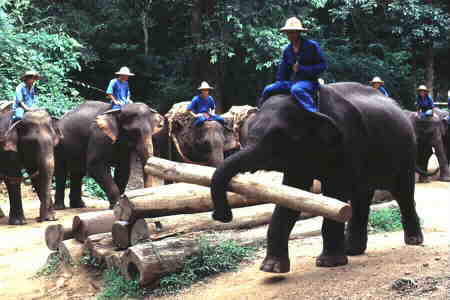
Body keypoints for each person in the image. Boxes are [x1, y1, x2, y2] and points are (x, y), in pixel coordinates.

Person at [259, 17, 327, 112]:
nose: (289, 35)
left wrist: (302, 69)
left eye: (292, 32)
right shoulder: (287, 50)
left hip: (309, 82)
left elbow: (322, 66)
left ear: (298, 32)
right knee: (268, 89)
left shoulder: (312, 46)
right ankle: (259, 111)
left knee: (296, 89)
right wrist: (280, 83)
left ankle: (314, 113)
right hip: (292, 82)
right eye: (288, 32)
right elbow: (282, 72)